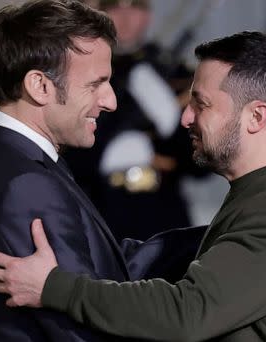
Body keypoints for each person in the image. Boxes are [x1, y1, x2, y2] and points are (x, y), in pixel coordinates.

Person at [0, 31, 266, 341]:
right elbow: (174, 259)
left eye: (200, 104)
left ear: (257, 116)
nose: (185, 117)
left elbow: (186, 312)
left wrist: (54, 288)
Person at [0, 1, 204, 341]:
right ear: (40, 86)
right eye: (96, 84)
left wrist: (226, 231)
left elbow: (102, 267)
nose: (110, 101)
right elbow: (81, 327)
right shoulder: (26, 183)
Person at [66, 0, 204, 241]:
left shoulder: (174, 73)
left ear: (148, 15)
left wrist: (173, 126)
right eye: (115, 6)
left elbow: (201, 166)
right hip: (99, 213)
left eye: (136, 6)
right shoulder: (79, 70)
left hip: (164, 216)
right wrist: (105, 148)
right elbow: (65, 154)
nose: (126, 17)